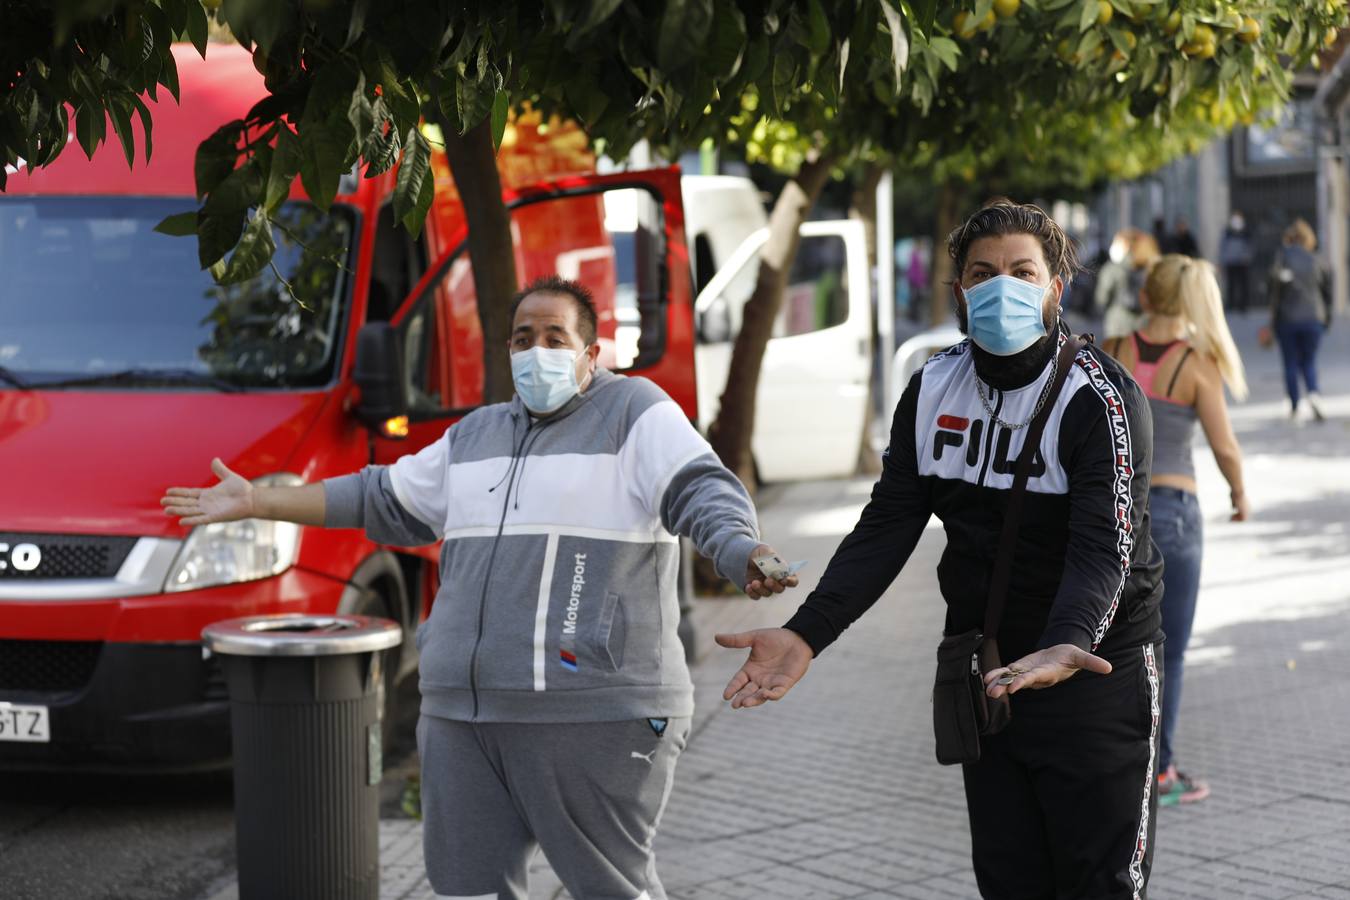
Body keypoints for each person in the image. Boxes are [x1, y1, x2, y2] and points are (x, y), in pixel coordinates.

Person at [162, 276, 797, 900]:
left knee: (612, 890)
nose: (537, 351)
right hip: (461, 718)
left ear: (591, 353)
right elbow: (379, 495)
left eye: (555, 336)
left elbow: (701, 491)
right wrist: (256, 499)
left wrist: (743, 551)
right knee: (467, 890)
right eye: (523, 338)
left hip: (596, 711)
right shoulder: (475, 435)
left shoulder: (636, 412)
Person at [716, 202, 1165, 899]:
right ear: (958, 293)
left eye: (1022, 272)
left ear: (1056, 288)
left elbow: (1104, 550)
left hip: (1092, 672)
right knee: (1010, 881)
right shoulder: (931, 388)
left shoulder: (1100, 399)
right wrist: (807, 634)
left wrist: (1065, 641)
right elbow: (886, 526)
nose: (1002, 287)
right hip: (988, 675)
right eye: (983, 274)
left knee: (1099, 885)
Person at [1102, 255, 1249, 807]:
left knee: (1109, 639)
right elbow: (1225, 447)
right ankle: (1159, 772)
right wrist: (1240, 494)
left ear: (1145, 295)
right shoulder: (1197, 364)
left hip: (1111, 512)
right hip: (1173, 510)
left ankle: (1111, 761)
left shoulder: (1111, 351)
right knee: (1170, 649)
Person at [1267, 219, 1332, 421]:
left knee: (1290, 363)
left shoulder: (1283, 258)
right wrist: (1326, 318)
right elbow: (1327, 292)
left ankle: (1295, 404)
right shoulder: (1318, 260)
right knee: (1309, 361)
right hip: (1314, 318)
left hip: (1288, 319)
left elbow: (1273, 291)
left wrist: (1273, 319)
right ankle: (1313, 392)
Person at [1096, 227, 1160, 338]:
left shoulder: (1113, 268)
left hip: (1118, 325)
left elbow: (1101, 298)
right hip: (1145, 325)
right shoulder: (1152, 267)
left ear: (1125, 245)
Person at [1219, 211, 1254, 313]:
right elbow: (1222, 247)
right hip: (1231, 262)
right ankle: (1231, 305)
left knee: (1243, 285)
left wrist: (1247, 257)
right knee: (1231, 284)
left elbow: (1250, 247)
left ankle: (1243, 306)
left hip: (1242, 262)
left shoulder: (1246, 232)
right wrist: (1223, 260)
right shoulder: (1227, 232)